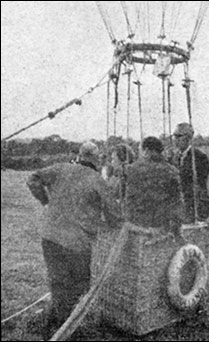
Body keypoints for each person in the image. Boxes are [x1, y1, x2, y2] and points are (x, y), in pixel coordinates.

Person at [26, 141, 122, 340]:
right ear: (96, 159)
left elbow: (32, 179)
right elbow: (114, 214)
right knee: (79, 287)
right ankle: (67, 331)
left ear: (80, 155)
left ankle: (53, 324)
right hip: (77, 243)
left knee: (58, 284)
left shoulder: (60, 168)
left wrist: (45, 201)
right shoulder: (97, 180)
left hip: (50, 238)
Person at [125, 136, 184, 243]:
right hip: (164, 228)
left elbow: (130, 201)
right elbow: (177, 202)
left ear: (146, 151)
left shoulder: (134, 169)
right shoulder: (172, 171)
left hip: (141, 229)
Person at [173, 122, 209, 224]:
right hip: (181, 206)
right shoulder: (175, 157)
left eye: (178, 136)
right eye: (174, 136)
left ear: (188, 137)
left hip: (196, 205)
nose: (175, 139)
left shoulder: (199, 157)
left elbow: (200, 181)